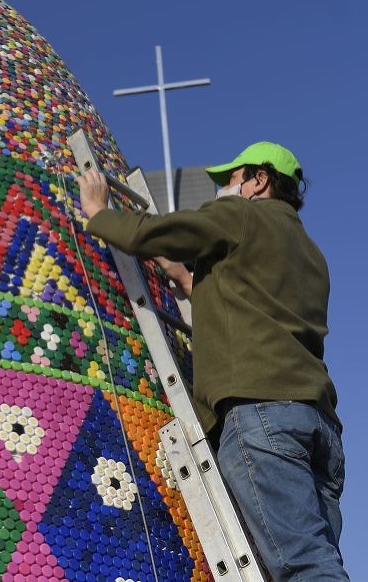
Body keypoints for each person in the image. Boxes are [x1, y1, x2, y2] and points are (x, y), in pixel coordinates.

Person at [77, 142, 348, 581]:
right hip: (319, 426)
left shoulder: (240, 215)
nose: (224, 188)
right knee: (317, 558)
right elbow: (255, 303)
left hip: (260, 411)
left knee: (304, 569)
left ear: (259, 180)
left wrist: (99, 214)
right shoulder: (311, 255)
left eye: (232, 179)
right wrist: (187, 279)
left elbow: (167, 230)